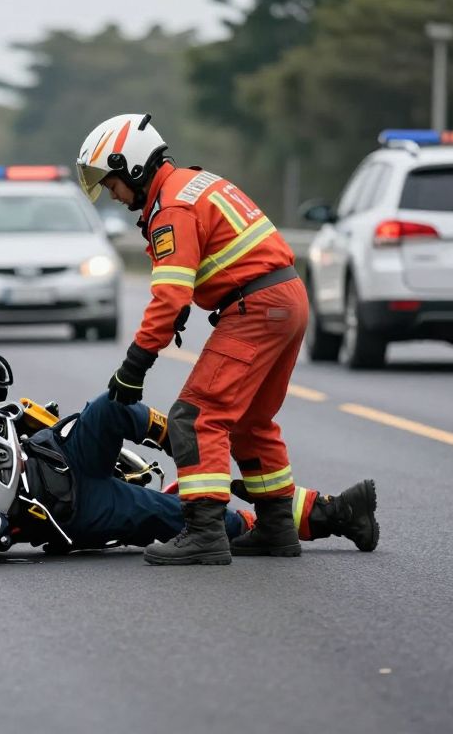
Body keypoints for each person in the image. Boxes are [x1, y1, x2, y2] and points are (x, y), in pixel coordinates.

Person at [75, 112, 313, 565]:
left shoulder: (172, 209)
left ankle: (204, 531)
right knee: (250, 422)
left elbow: (168, 297)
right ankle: (278, 527)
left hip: (256, 308)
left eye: (112, 183)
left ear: (134, 167)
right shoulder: (192, 184)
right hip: (285, 299)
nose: (114, 194)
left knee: (196, 416)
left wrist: (134, 367)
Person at [0, 356, 378, 559]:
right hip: (72, 508)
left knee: (112, 405)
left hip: (53, 446)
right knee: (187, 515)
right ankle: (330, 516)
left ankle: (190, 450)